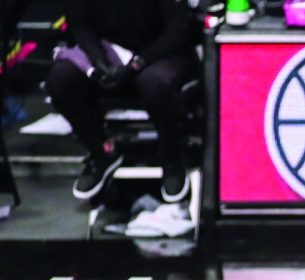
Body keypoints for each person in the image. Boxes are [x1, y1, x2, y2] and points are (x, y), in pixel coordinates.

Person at [48, 0, 195, 202]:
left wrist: (138, 63)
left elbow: (178, 30)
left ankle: (170, 156)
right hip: (109, 55)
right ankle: (102, 151)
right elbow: (80, 24)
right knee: (60, 79)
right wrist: (98, 59)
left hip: (158, 56)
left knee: (154, 84)